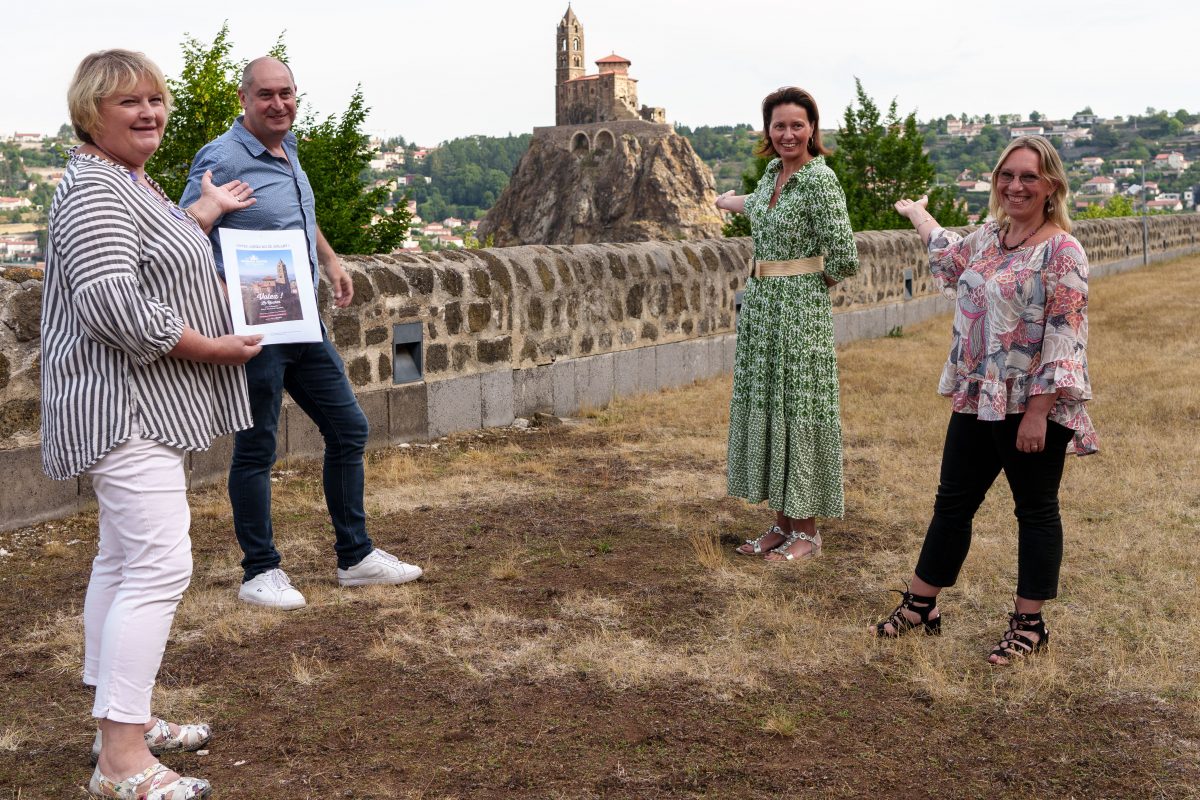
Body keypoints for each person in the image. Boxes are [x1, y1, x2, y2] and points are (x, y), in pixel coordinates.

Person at [44, 49, 262, 798]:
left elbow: (152, 254)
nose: (149, 113)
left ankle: (121, 718)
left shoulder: (126, 181)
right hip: (122, 406)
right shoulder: (95, 190)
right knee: (159, 568)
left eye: (156, 100)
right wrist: (210, 347)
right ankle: (120, 760)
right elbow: (114, 304)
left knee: (120, 561)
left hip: (134, 403)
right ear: (90, 114)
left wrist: (202, 211)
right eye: (128, 103)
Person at [181, 57, 422, 610]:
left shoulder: (288, 151)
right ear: (244, 99)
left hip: (302, 323)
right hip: (254, 330)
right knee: (257, 446)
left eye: (287, 93)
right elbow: (186, 232)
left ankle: (355, 558)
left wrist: (332, 263)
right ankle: (259, 572)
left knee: (349, 428)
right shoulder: (221, 157)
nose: (278, 104)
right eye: (266, 94)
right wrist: (223, 289)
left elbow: (297, 219)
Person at [870, 135, 1097, 664]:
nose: (1015, 186)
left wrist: (1039, 412)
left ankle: (1029, 625)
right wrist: (919, 217)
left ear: (1051, 187)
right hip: (978, 395)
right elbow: (948, 256)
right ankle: (921, 605)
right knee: (953, 503)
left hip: (1031, 402)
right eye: (1007, 175)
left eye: (1028, 177)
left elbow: (1066, 336)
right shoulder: (991, 237)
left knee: (1035, 511)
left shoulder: (1063, 250)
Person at [715, 86, 859, 562]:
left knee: (797, 410)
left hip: (799, 313)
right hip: (760, 310)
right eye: (779, 125)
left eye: (797, 125)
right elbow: (757, 206)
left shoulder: (820, 180)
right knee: (770, 407)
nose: (788, 134)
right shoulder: (775, 174)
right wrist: (725, 202)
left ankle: (807, 532)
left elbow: (843, 255)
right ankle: (780, 524)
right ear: (768, 131)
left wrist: (805, 291)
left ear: (813, 129)